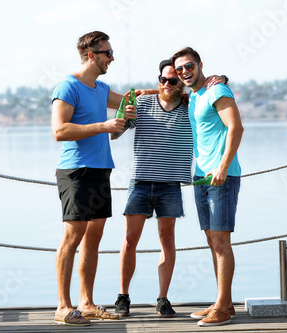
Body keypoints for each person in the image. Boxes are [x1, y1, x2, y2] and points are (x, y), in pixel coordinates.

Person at [51, 31, 135, 326]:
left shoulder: (101, 88)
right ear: (91, 55)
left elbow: (127, 102)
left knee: (93, 238)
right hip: (76, 171)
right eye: (108, 53)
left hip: (101, 169)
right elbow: (60, 131)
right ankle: (63, 307)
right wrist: (103, 125)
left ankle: (86, 303)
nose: (112, 58)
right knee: (72, 238)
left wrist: (126, 119)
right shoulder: (68, 86)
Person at [111, 59, 192, 318]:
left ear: (181, 82)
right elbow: (114, 135)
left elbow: (202, 90)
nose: (166, 84)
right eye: (163, 80)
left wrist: (220, 78)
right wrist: (124, 114)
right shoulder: (143, 103)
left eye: (173, 80)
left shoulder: (190, 107)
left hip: (170, 185)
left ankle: (162, 299)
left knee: (167, 240)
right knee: (129, 240)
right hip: (141, 182)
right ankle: (123, 298)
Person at [172, 47, 244, 327]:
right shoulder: (194, 96)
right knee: (212, 242)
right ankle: (222, 302)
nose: (184, 72)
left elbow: (236, 128)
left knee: (221, 243)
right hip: (201, 178)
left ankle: (223, 310)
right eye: (179, 70)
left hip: (222, 177)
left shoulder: (217, 91)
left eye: (189, 66)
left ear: (200, 65)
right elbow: (162, 91)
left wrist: (224, 167)